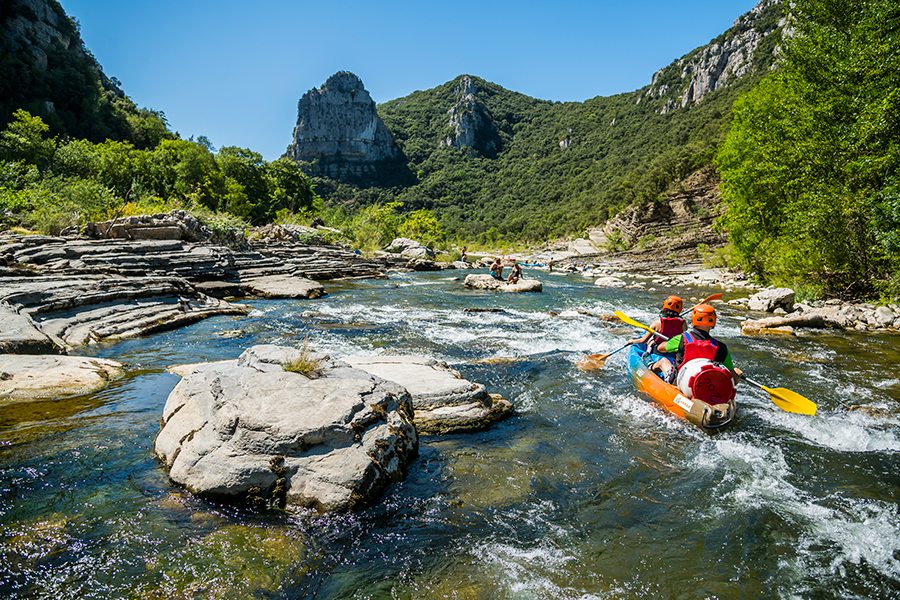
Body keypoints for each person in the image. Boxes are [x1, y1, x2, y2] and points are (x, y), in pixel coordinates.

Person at [652, 304, 743, 390]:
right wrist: (737, 374)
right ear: (713, 321)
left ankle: (650, 369)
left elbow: (660, 348)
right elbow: (733, 379)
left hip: (679, 384)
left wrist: (671, 343)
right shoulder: (721, 347)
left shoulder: (682, 339)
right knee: (735, 372)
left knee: (663, 361)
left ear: (694, 319)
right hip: (707, 387)